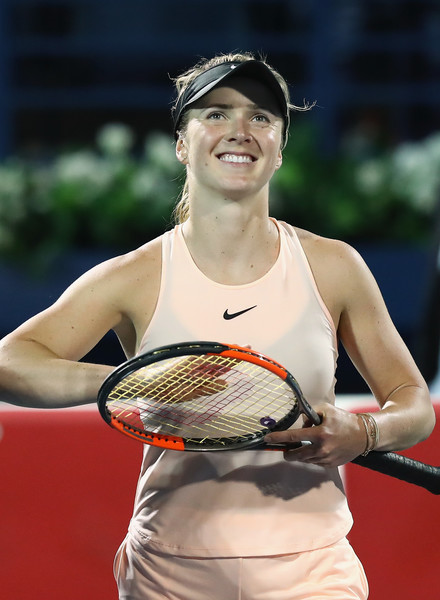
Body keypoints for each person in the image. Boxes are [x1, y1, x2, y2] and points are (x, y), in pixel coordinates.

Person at [0, 51, 435, 600]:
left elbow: (412, 403)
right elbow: (9, 362)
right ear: (182, 143)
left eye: (261, 117)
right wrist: (134, 383)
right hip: (168, 572)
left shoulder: (334, 266)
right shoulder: (135, 276)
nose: (240, 130)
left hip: (310, 572)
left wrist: (365, 432)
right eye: (216, 113)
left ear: (280, 147)